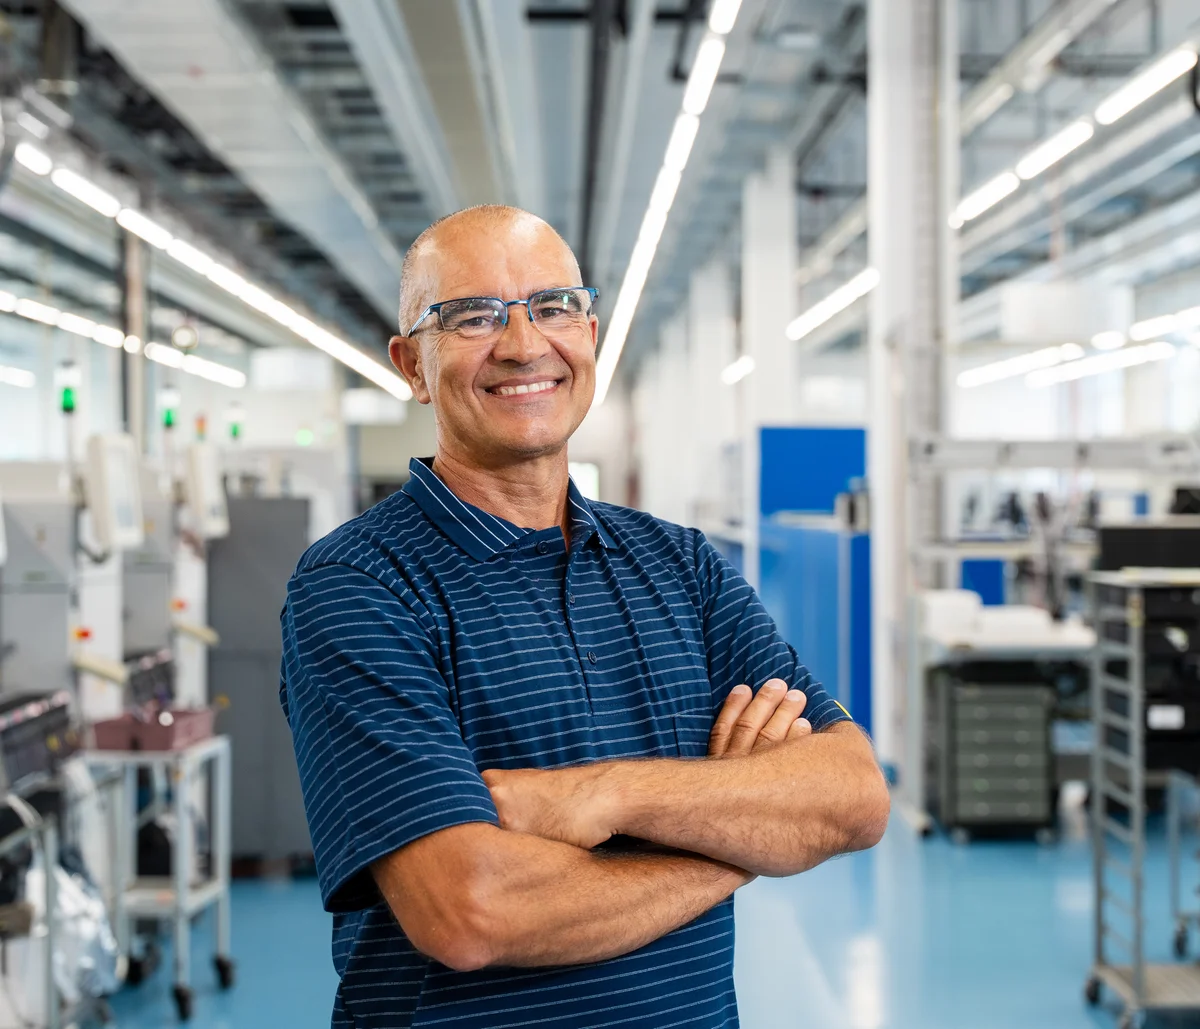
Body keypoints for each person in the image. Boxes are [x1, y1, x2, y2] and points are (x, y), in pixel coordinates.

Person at [280, 205, 890, 1029]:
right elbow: (470, 911)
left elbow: (853, 794)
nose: (524, 343)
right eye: (472, 315)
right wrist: (744, 833)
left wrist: (603, 795)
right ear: (412, 366)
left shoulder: (684, 566)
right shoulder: (358, 585)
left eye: (554, 306)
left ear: (591, 333)